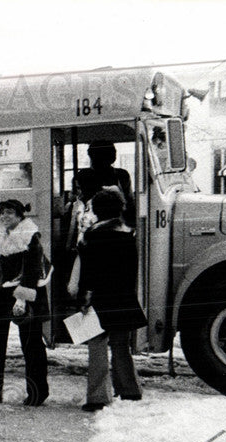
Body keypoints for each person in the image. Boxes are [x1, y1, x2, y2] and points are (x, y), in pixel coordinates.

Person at [76, 187, 147, 412]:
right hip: (123, 296)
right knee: (120, 346)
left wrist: (85, 296)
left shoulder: (92, 235)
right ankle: (130, 390)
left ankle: (98, 396)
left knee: (97, 345)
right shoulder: (129, 233)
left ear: (96, 210)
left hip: (99, 296)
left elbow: (88, 272)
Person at [0, 199, 51, 406]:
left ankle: (37, 394)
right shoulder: (2, 235)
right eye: (1, 213)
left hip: (27, 292)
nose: (4, 217)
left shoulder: (29, 236)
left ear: (20, 215)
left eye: (9, 213)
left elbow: (33, 270)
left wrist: (22, 299)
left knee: (31, 344)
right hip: (4, 292)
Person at [76, 140, 135, 227]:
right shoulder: (121, 175)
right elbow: (129, 201)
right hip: (111, 221)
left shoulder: (82, 175)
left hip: (93, 222)